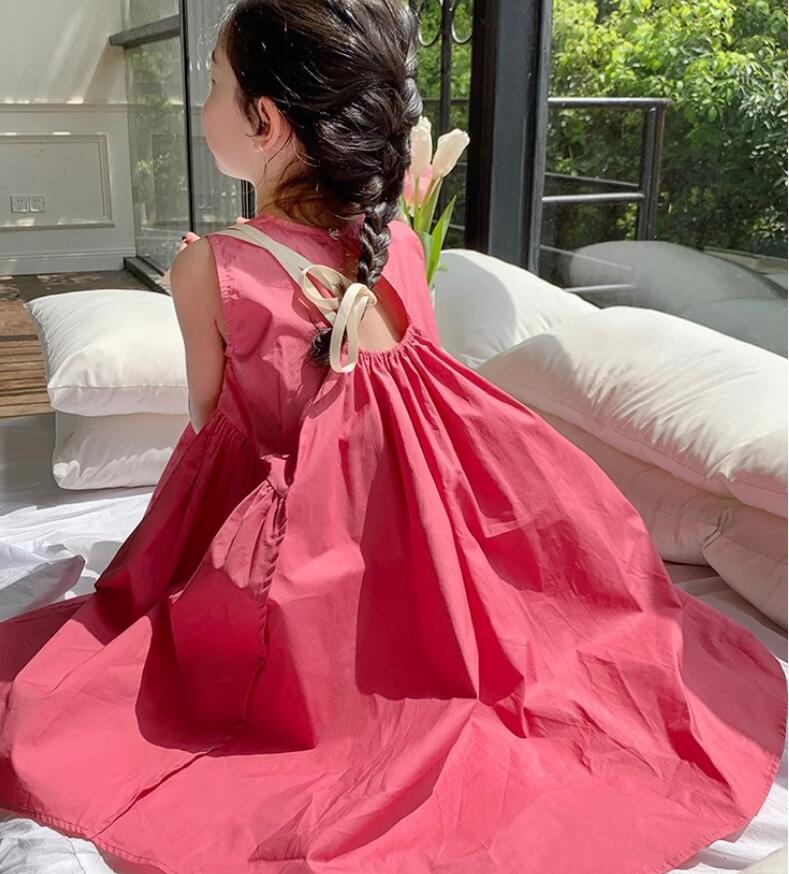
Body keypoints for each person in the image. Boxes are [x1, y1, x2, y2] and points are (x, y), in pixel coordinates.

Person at [0, 1, 785, 872]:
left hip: (299, 567)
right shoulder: (395, 243)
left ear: (266, 121)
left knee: (120, 682)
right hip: (414, 543)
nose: (202, 104)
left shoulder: (211, 266)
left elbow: (208, 415)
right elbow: (408, 413)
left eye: (214, 85)